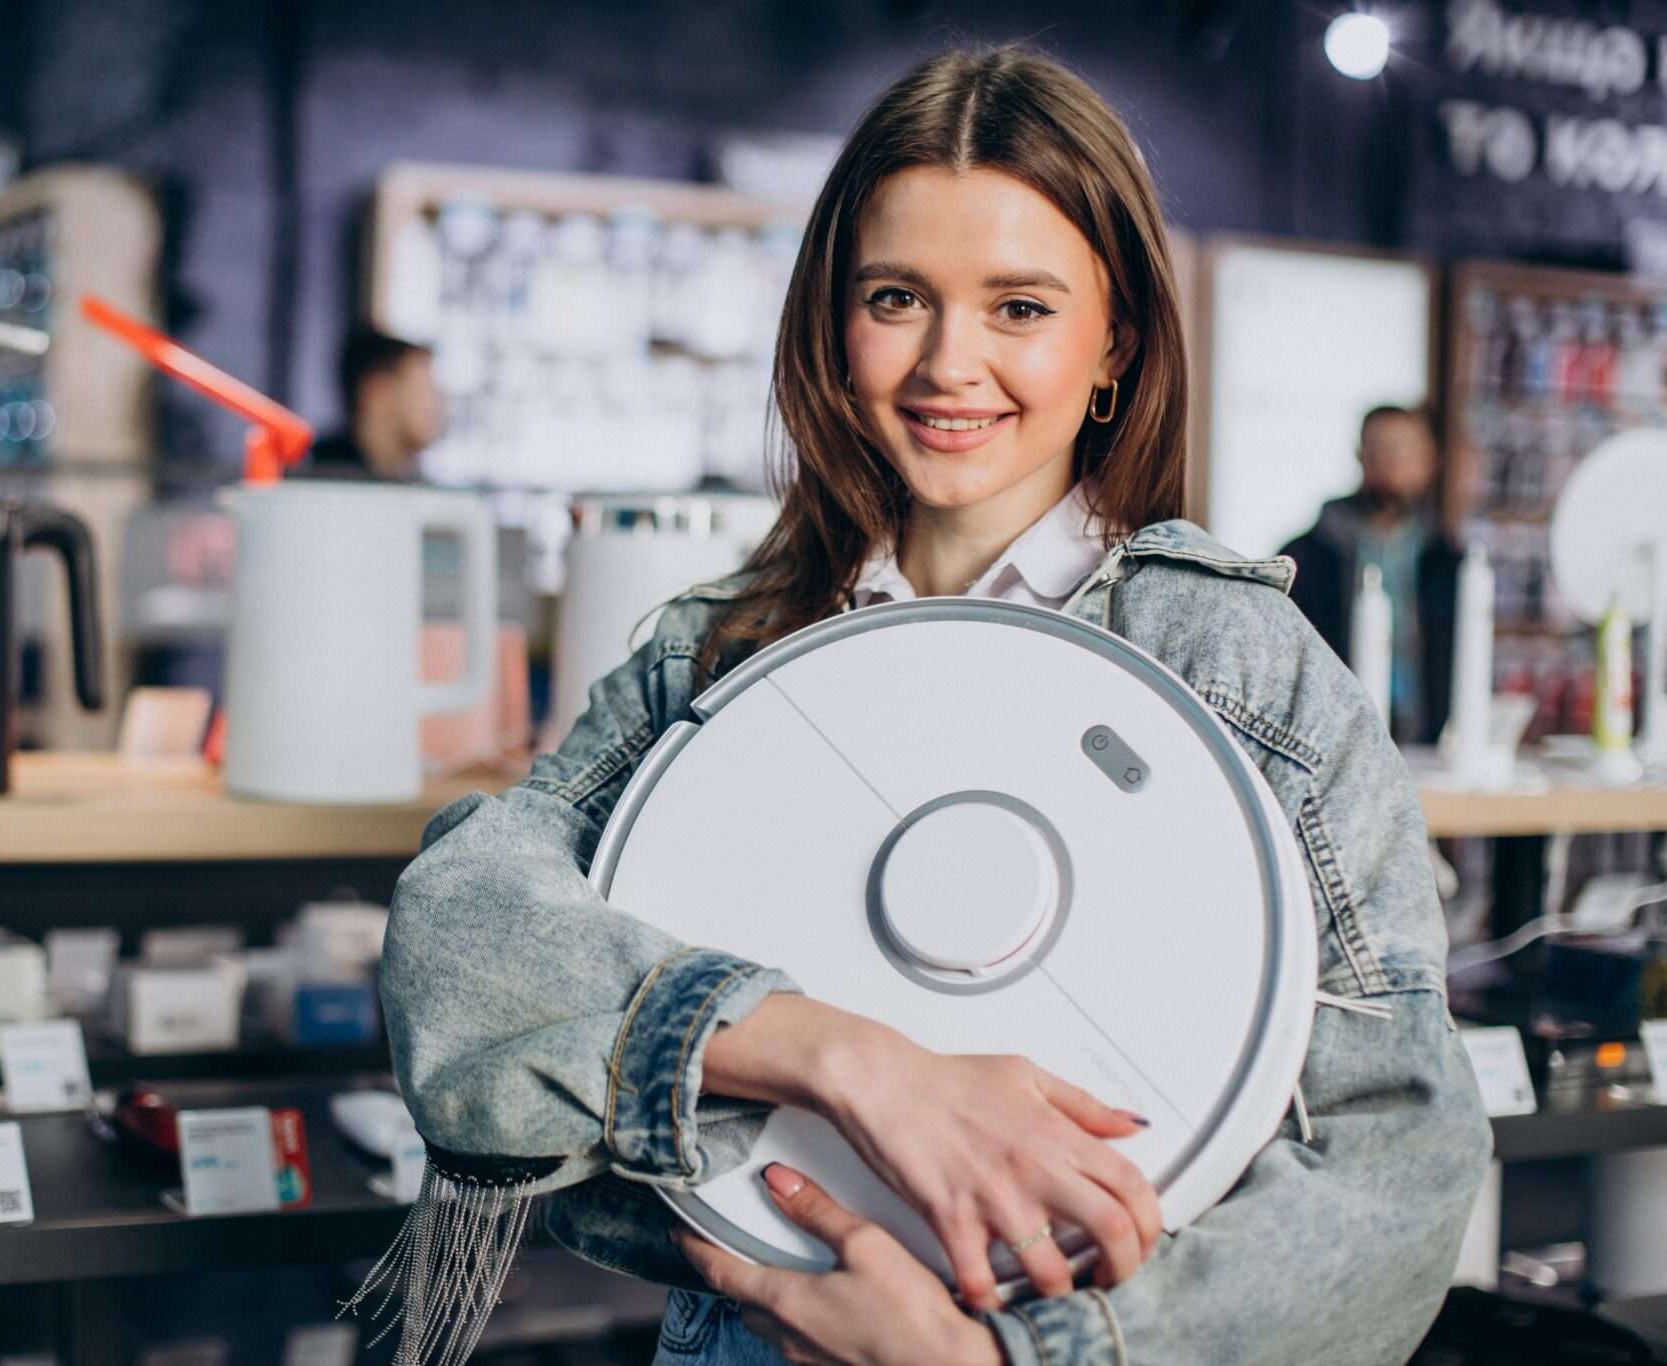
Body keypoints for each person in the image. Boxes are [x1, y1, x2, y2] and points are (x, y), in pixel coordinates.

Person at [374, 45, 1491, 1366]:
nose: (949, 364)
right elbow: (459, 939)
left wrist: (1012, 1354)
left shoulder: (1243, 669)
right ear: (833, 326)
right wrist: (843, 1057)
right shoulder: (727, 648)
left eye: (1020, 306)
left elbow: (1399, 1164)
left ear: (1116, 345)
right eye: (897, 297)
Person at [1281, 405, 1462, 745]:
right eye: (1380, 449)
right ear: (1360, 455)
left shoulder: (1448, 563)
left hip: (1426, 741)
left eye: (1404, 451)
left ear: (1428, 461)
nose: (1391, 463)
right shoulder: (1304, 556)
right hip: (1328, 741)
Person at [304, 327, 443, 480]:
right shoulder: (318, 476)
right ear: (376, 392)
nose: (436, 406)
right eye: (424, 389)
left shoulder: (411, 481)